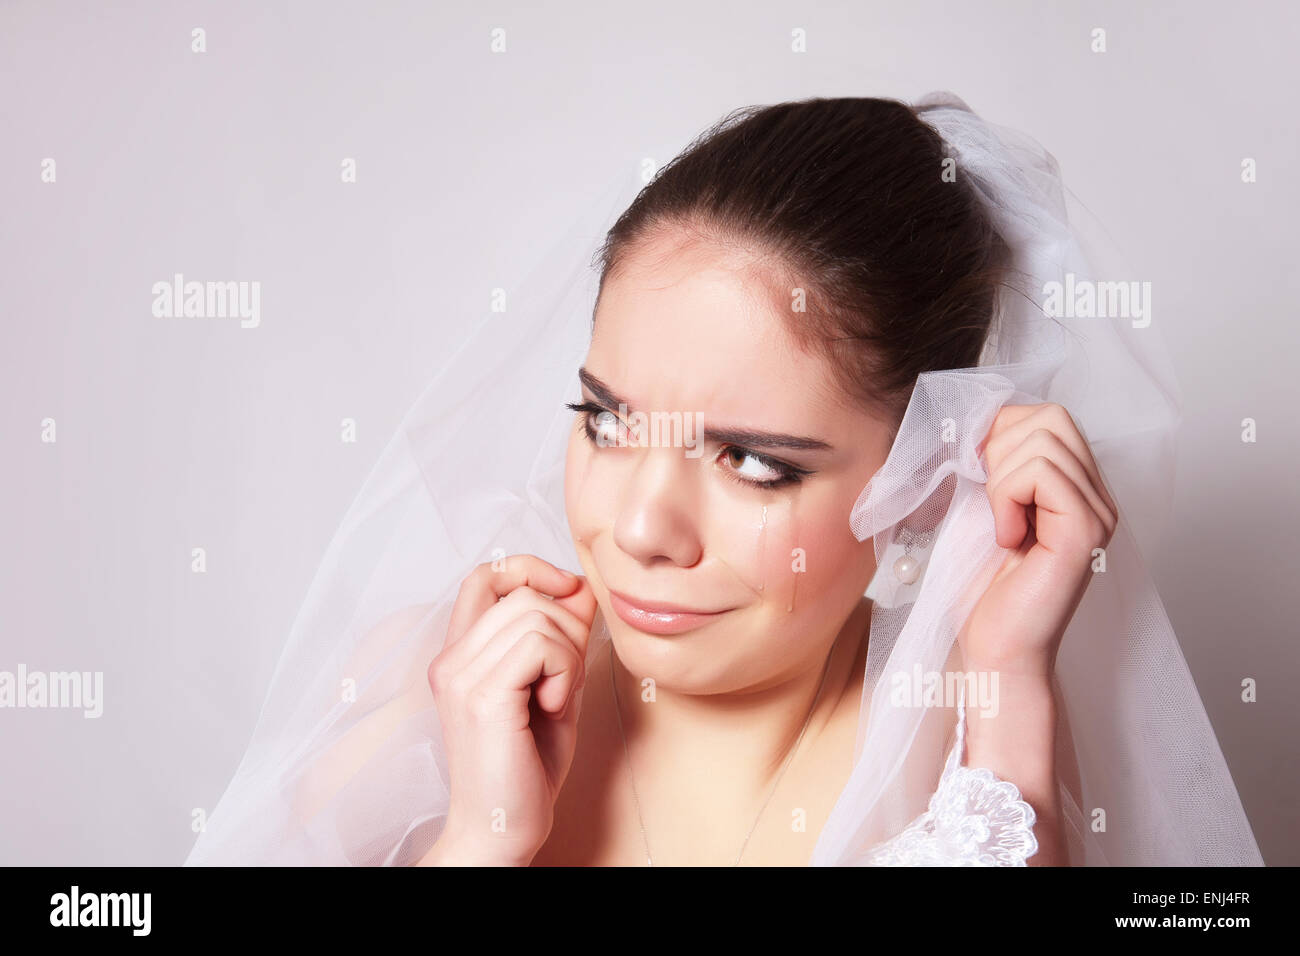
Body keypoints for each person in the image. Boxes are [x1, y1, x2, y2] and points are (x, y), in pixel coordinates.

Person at [185, 93, 1263, 867]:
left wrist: (1010, 667)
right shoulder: (435, 701)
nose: (640, 527)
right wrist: (485, 839)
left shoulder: (966, 755)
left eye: (750, 461)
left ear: (922, 481)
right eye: (606, 421)